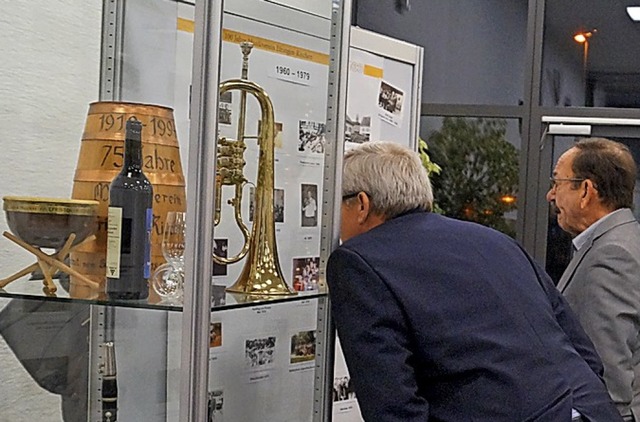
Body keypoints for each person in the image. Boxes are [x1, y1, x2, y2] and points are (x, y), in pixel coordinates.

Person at [327, 141, 622, 422]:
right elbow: (579, 345)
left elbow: (390, 401)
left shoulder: (358, 261)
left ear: (362, 204)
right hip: (591, 408)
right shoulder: (494, 240)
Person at [547, 137, 640, 421]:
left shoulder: (611, 254)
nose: (551, 196)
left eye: (557, 183)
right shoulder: (622, 240)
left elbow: (608, 375)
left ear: (586, 190)